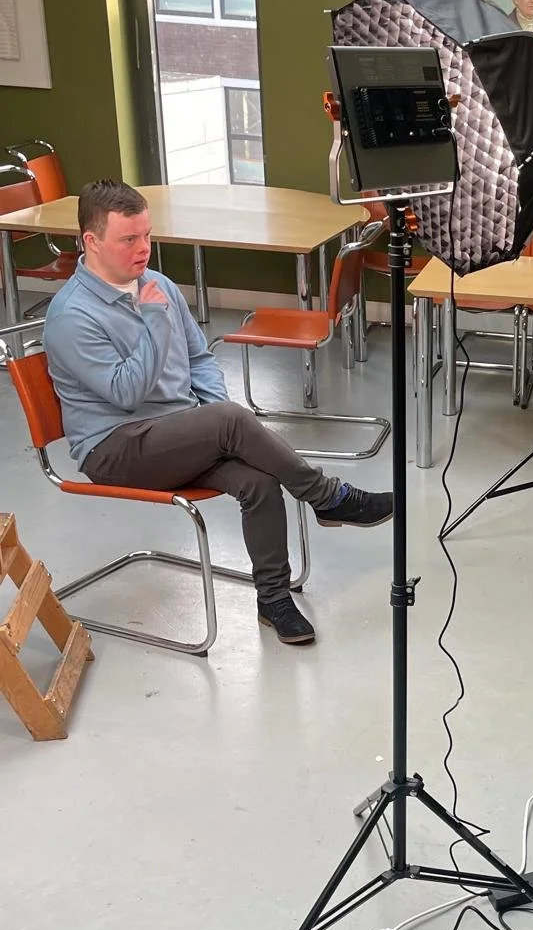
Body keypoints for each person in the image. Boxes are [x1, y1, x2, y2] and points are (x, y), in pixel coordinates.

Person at [41, 180, 393, 647]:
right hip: (116, 446)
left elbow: (199, 359)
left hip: (176, 434)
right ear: (91, 241)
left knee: (258, 479)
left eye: (147, 235)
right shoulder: (71, 315)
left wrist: (209, 414)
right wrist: (151, 324)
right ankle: (328, 496)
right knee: (229, 420)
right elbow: (125, 394)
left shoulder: (157, 284)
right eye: (129, 239)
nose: (144, 249)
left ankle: (273, 598)